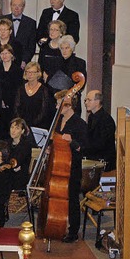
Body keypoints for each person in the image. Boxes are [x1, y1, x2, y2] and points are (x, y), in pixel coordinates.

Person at [56, 94, 88, 243]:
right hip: (58, 165)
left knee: (73, 198)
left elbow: (83, 148)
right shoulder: (59, 120)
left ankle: (73, 231)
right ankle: (57, 224)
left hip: (72, 166)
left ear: (68, 106)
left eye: (59, 104)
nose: (56, 107)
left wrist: (72, 141)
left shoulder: (79, 124)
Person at [82, 90, 116, 171]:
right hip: (95, 156)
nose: (86, 102)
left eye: (89, 100)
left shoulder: (106, 119)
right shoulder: (91, 117)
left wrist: (82, 148)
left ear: (97, 102)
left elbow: (102, 144)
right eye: (85, 100)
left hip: (104, 160)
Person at [14, 62, 53, 130]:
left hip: (38, 126)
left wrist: (32, 124)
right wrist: (22, 124)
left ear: (38, 73)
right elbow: (16, 107)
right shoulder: (20, 89)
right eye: (28, 72)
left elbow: (44, 110)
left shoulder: (44, 90)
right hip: (22, 126)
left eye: (33, 72)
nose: (30, 75)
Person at [55, 35, 87, 116]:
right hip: (57, 99)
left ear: (72, 49)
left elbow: (81, 84)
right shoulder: (55, 63)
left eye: (67, 48)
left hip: (73, 100)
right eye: (62, 48)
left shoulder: (80, 63)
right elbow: (53, 83)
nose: (64, 51)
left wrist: (70, 94)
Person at [1, 0, 37, 67]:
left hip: (21, 63)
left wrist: (24, 61)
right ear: (10, 6)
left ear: (23, 7)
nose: (16, 8)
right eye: (14, 5)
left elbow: (31, 46)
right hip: (3, 61)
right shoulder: (2, 20)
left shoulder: (31, 23)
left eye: (19, 5)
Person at [0, 44, 24, 124]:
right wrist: (0, 100)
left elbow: (19, 88)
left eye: (6, 53)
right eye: (2, 53)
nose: (4, 56)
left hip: (13, 104)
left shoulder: (18, 70)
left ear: (11, 54)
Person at [7, 118, 33, 191]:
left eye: (17, 128)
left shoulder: (26, 145)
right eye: (12, 127)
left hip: (19, 178)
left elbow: (16, 162)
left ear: (22, 131)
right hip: (9, 173)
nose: (13, 130)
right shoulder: (7, 142)